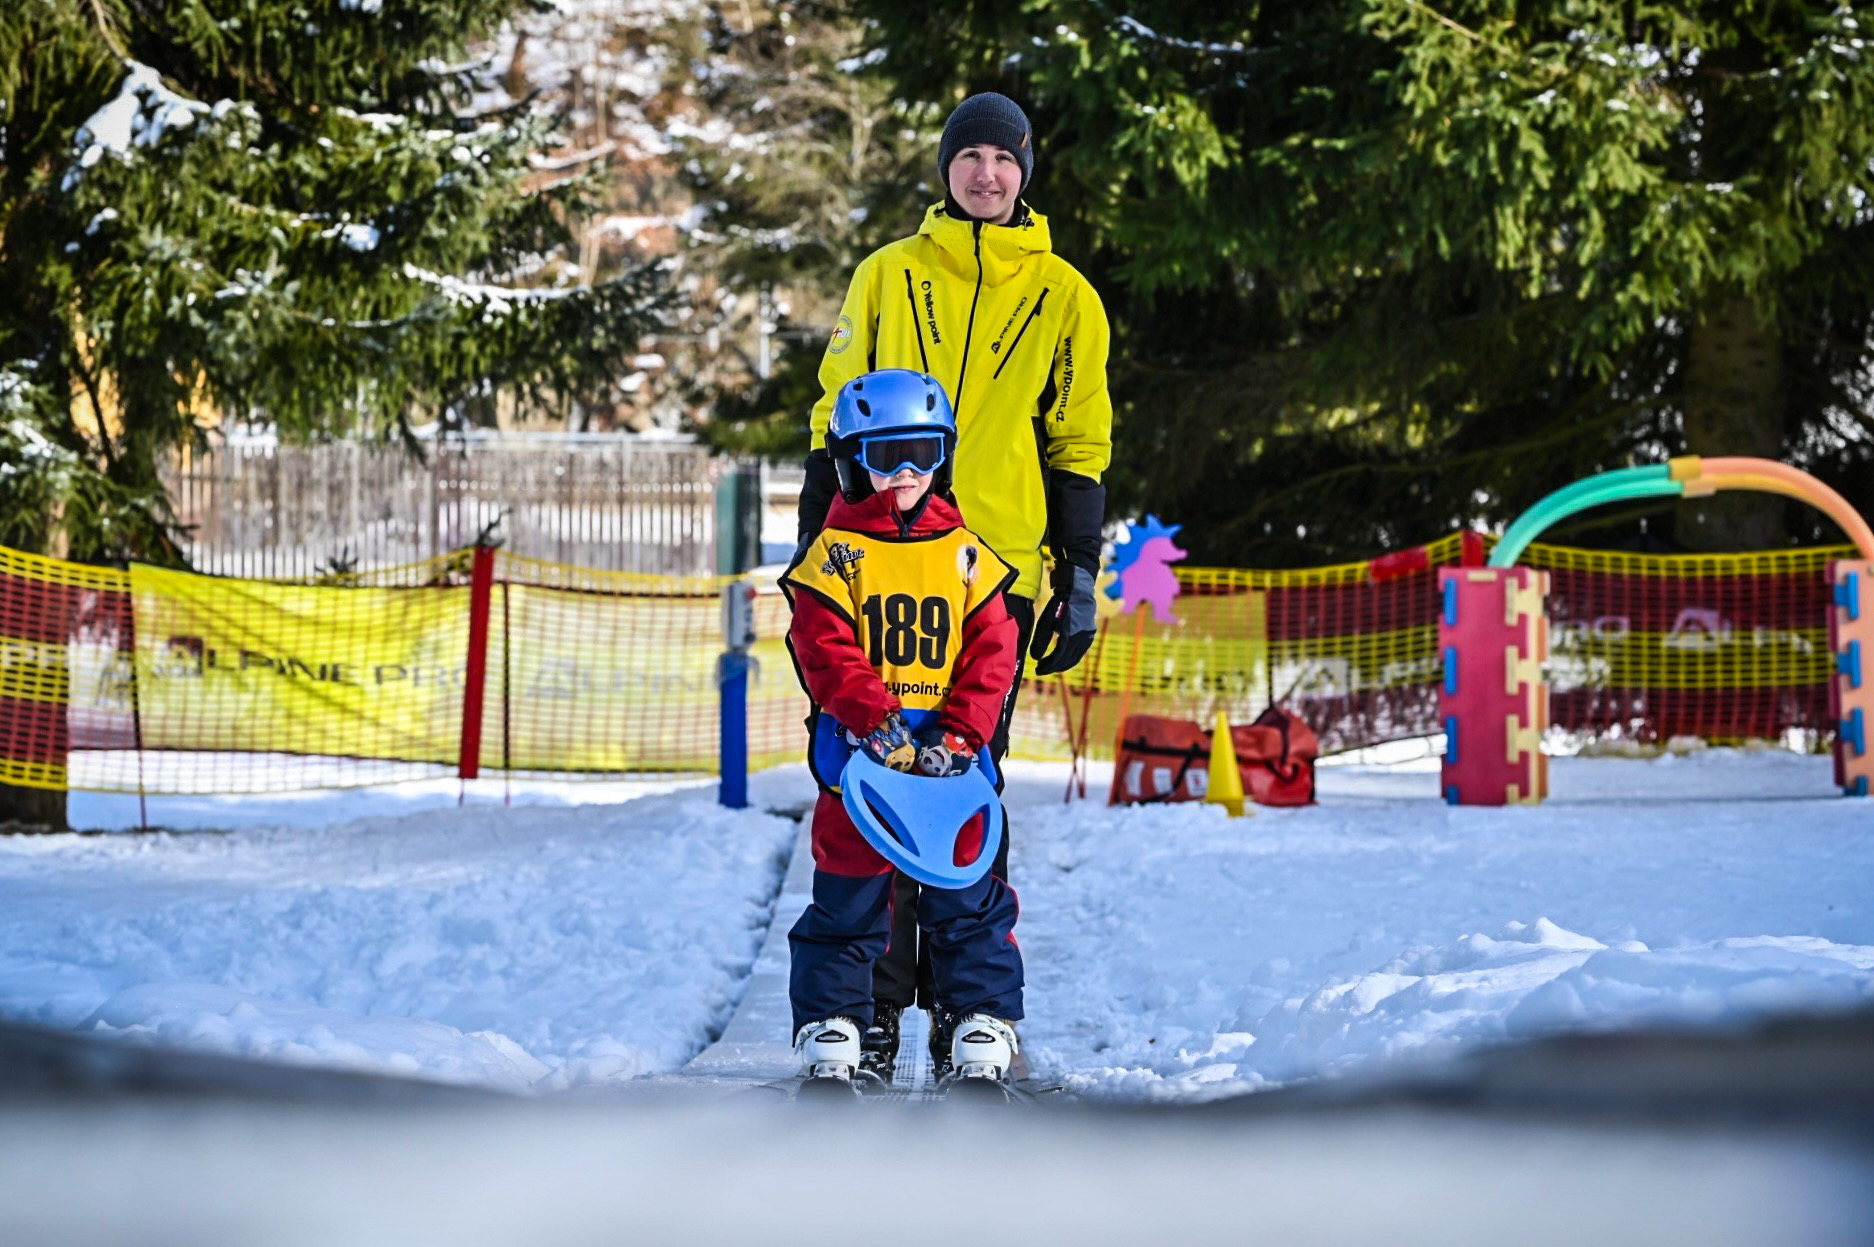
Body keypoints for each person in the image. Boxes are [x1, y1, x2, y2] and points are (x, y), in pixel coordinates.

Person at [796, 91, 1113, 1079]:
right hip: (876, 563)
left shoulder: (1065, 294)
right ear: (944, 168)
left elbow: (1078, 439)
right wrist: (817, 544)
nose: (986, 173)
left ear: (1026, 173)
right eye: (969, 155)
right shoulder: (887, 275)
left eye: (1003, 158)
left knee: (961, 784)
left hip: (992, 577)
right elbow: (832, 413)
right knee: (870, 784)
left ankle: (972, 1012)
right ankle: (875, 1011)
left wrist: (1077, 572)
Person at [782, 368, 1024, 1091]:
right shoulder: (835, 555)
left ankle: (977, 1016)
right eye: (888, 457)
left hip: (951, 768)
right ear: (855, 461)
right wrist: (873, 718)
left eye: (922, 453)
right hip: (864, 765)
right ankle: (840, 1020)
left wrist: (963, 733)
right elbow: (822, 644)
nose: (907, 474)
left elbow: (994, 650)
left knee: (968, 895)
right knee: (851, 896)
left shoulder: (967, 554)